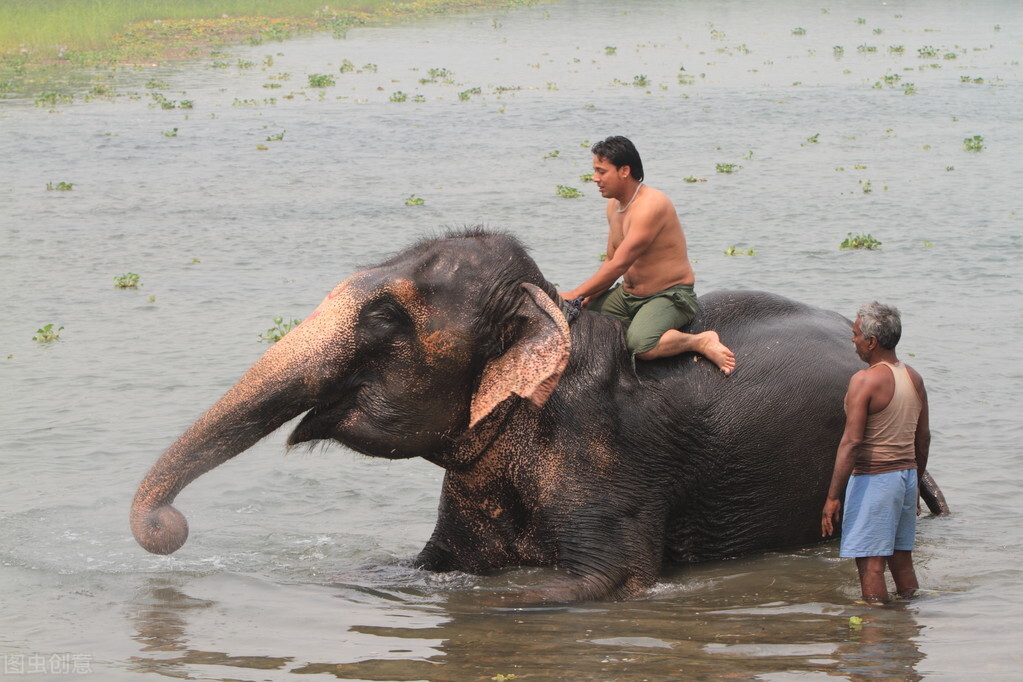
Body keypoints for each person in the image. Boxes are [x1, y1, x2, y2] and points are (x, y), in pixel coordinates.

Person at [560, 136, 735, 374]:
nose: (595, 179)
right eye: (594, 171)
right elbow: (611, 260)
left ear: (624, 171)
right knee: (581, 321)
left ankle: (699, 341)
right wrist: (586, 299)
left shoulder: (651, 205)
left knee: (641, 345)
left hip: (668, 295)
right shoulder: (614, 205)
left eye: (601, 172)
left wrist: (574, 293)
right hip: (628, 295)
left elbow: (620, 264)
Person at [821, 301, 931, 603]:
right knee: (901, 558)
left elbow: (851, 443)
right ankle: (907, 630)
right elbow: (923, 439)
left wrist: (832, 497)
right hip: (906, 477)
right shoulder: (913, 377)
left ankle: (874, 636)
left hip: (875, 478)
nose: (853, 340)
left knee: (870, 563)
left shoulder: (865, 381)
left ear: (871, 342)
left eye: (856, 334)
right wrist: (916, 484)